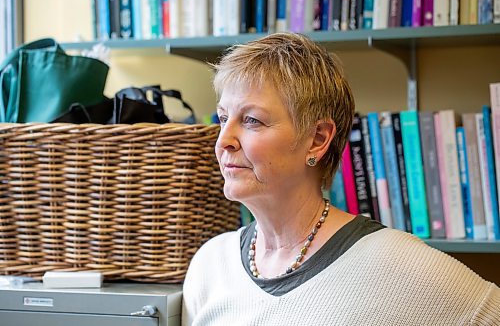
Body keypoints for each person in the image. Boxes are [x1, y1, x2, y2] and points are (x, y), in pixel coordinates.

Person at [181, 32, 499, 325]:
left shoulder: (397, 265)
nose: (223, 140)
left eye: (252, 120)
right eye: (224, 118)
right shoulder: (210, 265)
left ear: (318, 139)